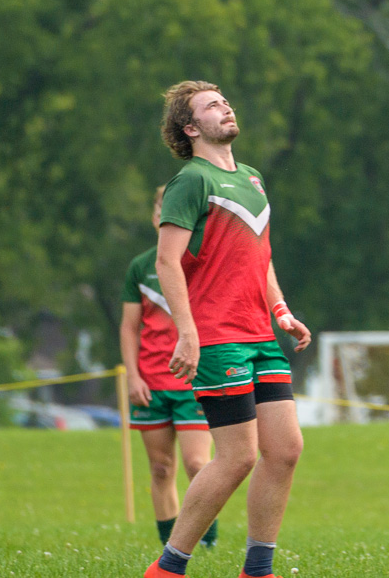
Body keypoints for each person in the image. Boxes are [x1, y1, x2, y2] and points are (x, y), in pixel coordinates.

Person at [142, 83, 311, 578]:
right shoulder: (190, 181)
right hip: (218, 337)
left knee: (284, 450)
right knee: (236, 456)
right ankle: (168, 568)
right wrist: (187, 333)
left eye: (225, 100)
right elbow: (166, 261)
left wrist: (281, 311)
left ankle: (257, 571)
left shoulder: (253, 178)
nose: (226, 106)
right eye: (212, 105)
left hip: (260, 334)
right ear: (191, 128)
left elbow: (261, 257)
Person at [122, 186, 218, 550]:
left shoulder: (202, 262)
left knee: (198, 464)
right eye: (163, 208)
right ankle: (169, 548)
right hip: (151, 383)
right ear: (154, 215)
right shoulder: (140, 267)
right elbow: (129, 327)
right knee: (161, 469)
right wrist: (133, 375)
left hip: (193, 380)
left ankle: (205, 541)